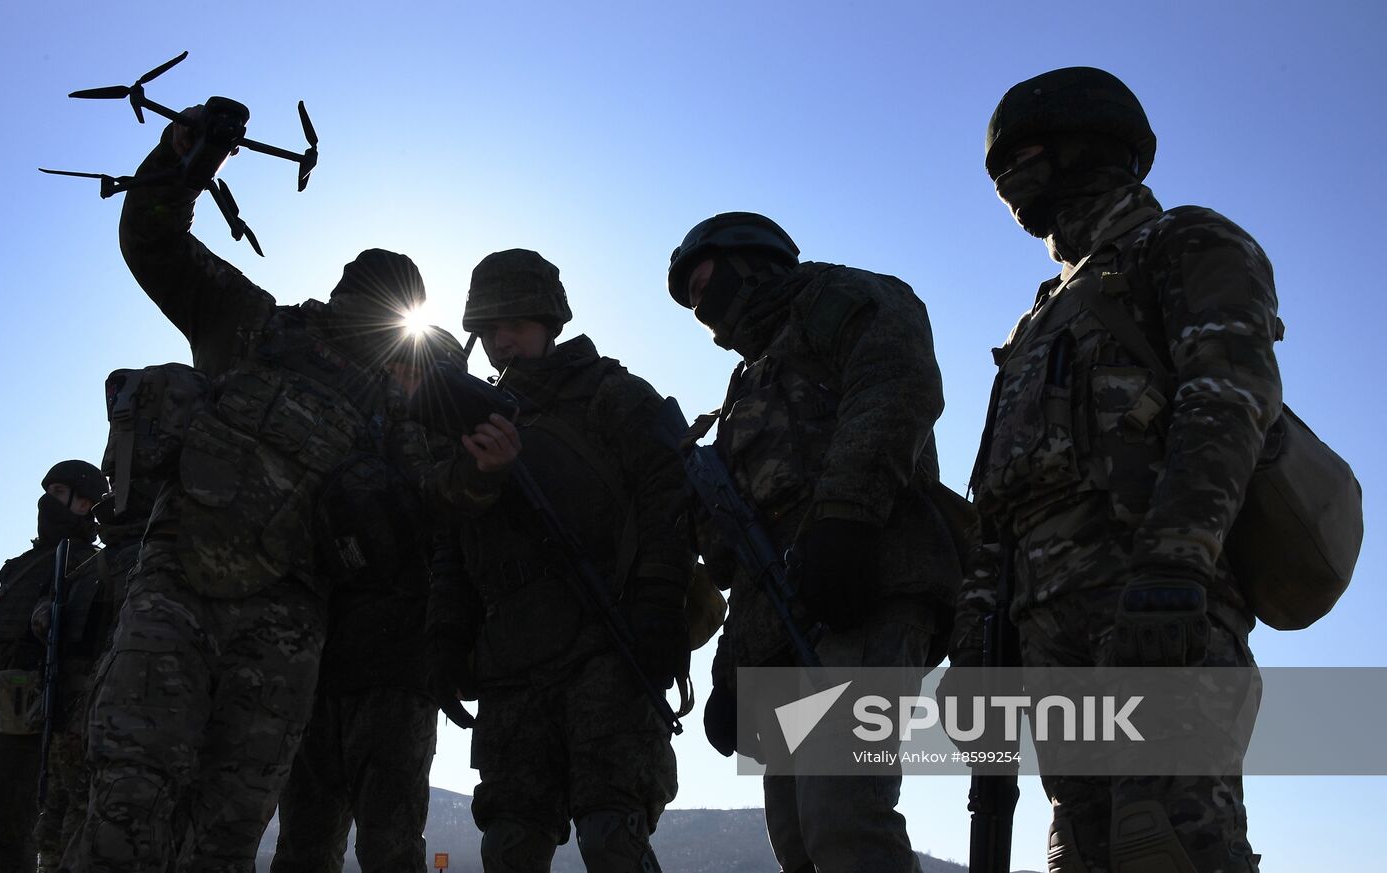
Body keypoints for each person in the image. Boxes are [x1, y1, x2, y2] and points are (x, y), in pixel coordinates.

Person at [63, 106, 429, 873]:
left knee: (225, 836)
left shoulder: (400, 413)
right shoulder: (258, 328)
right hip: (178, 590)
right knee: (126, 809)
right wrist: (185, 162)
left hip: (288, 631)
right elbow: (154, 243)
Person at [954, 66, 1279, 872]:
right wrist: (976, 637)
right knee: (1084, 849)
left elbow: (1228, 399)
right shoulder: (1036, 318)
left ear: (1089, 143)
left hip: (1152, 606)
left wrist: (1178, 560)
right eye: (999, 171)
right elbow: (999, 498)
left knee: (1175, 841)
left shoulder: (1183, 243)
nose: (1010, 182)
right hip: (1044, 635)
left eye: (1022, 155)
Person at [665, 212, 960, 873]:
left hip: (870, 578)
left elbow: (896, 384)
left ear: (750, 261)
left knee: (843, 819)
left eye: (705, 283)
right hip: (784, 624)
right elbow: (742, 550)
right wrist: (731, 672)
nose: (701, 308)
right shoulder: (747, 387)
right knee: (798, 839)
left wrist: (846, 518)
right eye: (690, 301)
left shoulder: (839, 298)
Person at [424, 248, 693, 873]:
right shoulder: (475, 424)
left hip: (608, 642)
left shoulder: (612, 396)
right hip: (512, 660)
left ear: (549, 320)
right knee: (511, 846)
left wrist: (658, 602)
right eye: (487, 330)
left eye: (513, 323)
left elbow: (668, 495)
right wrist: (445, 636)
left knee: (612, 836)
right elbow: (452, 543)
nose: (500, 341)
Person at [271, 329, 465, 873]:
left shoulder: (452, 453)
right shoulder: (349, 435)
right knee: (303, 846)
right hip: (320, 669)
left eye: (418, 371)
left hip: (399, 672)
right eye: (396, 368)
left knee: (390, 845)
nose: (402, 381)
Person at [34, 477, 162, 872]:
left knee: (79, 826)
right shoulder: (89, 566)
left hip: (96, 718)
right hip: (65, 716)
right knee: (51, 831)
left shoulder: (131, 561)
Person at [0, 460, 105, 873]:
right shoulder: (21, 565)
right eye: (49, 491)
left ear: (84, 504)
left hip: (26, 717)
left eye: (59, 494)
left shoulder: (87, 565)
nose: (47, 501)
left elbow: (80, 652)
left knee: (4, 828)